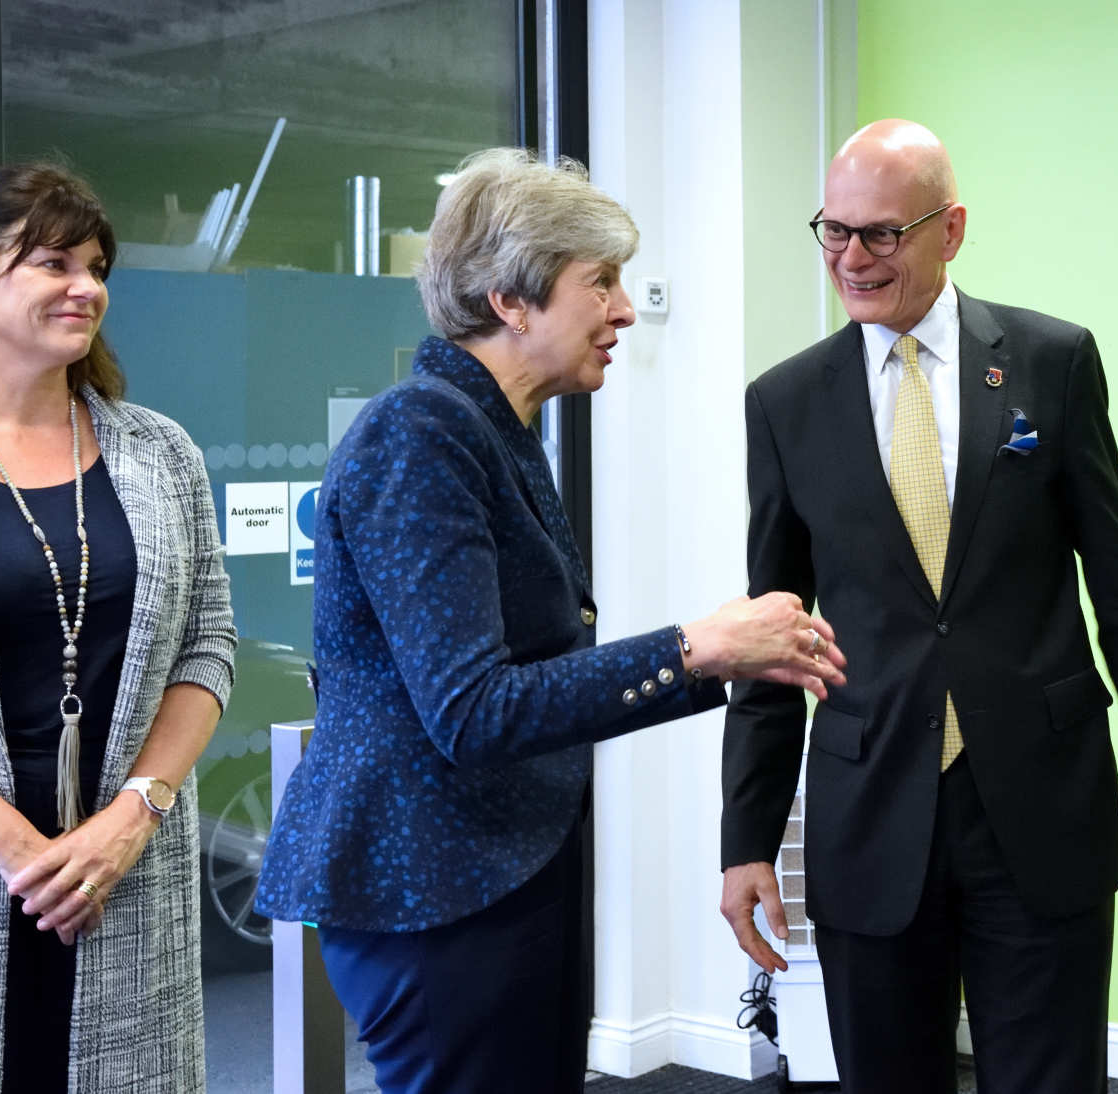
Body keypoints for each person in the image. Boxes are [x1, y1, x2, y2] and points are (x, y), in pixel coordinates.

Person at [252, 147, 847, 1094]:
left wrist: (712, 659)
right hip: (436, 897)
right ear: (510, 300)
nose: (622, 309)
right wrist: (699, 651)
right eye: (600, 282)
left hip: (498, 876)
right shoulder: (422, 434)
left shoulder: (494, 428)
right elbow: (473, 712)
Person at [718, 120, 1118, 1093]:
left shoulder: (1051, 362)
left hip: (1039, 806)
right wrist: (745, 836)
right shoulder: (784, 402)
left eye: (880, 234)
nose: (851, 258)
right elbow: (773, 634)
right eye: (832, 231)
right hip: (870, 812)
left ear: (949, 229)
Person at [0, 164, 236, 1092]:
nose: (88, 286)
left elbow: (207, 644)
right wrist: (23, 852)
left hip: (127, 876)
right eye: (54, 262)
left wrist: (130, 819)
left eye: (98, 264)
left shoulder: (160, 450)